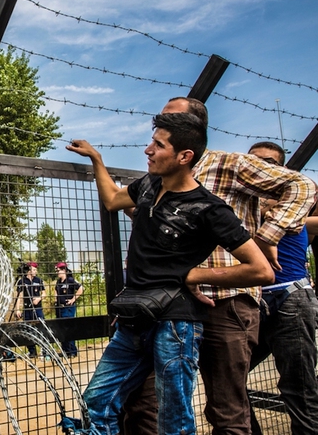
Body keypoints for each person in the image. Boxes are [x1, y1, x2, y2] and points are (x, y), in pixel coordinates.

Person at [66, 112, 273, 435]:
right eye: (152, 142)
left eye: (159, 145)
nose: (148, 150)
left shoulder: (209, 208)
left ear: (184, 156)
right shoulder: (148, 186)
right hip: (135, 321)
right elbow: (112, 200)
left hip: (175, 326)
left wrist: (195, 276)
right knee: (96, 405)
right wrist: (97, 159)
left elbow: (260, 270)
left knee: (173, 419)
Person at [151, 97, 316, 435]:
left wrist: (269, 234)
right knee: (222, 392)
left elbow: (302, 191)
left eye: (269, 164)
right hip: (205, 298)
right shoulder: (174, 177)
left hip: (266, 296)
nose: (260, 167)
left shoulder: (254, 183)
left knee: (292, 388)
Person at [246, 142, 318, 435]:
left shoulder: (295, 197)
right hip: (254, 302)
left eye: (269, 162)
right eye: (253, 161)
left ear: (283, 169)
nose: (261, 166)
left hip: (290, 298)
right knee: (227, 378)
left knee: (298, 387)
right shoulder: (243, 200)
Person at [14, 262, 47, 358]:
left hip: (37, 308)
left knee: (41, 327)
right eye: (34, 269)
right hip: (27, 308)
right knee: (27, 329)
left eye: (36, 270)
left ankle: (44, 350)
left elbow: (44, 294)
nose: (35, 271)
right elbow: (18, 296)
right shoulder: (22, 281)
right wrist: (18, 309)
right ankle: (32, 351)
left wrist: (39, 298)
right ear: (29, 270)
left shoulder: (38, 280)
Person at [53, 262, 83, 358]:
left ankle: (72, 351)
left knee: (68, 328)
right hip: (59, 308)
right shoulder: (59, 282)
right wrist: (55, 299)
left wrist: (73, 299)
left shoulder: (70, 280)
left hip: (68, 308)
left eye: (58, 270)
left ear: (64, 270)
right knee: (61, 329)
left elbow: (81, 288)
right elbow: (56, 290)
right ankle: (65, 350)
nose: (57, 272)